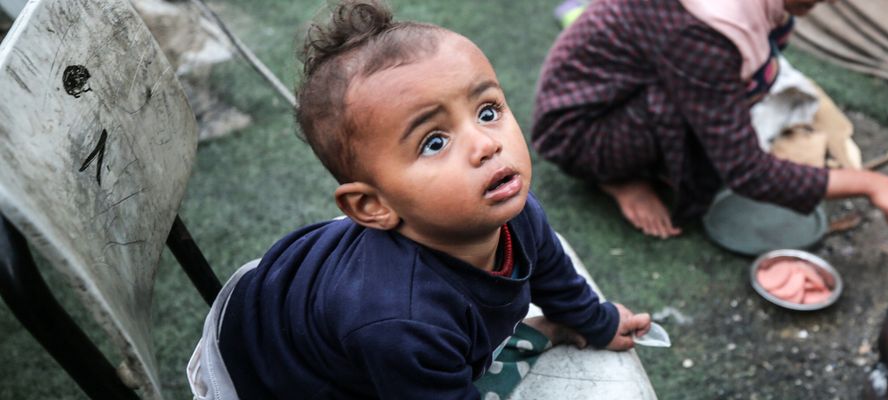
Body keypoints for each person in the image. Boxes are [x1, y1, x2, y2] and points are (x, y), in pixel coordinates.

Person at [186, 1, 651, 398]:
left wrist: (597, 322)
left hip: (313, 304)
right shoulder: (401, 322)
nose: (486, 144)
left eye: (488, 111)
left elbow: (552, 273)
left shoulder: (516, 213)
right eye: (434, 142)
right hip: (268, 372)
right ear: (373, 207)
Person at [531, 0, 888, 239]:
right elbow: (748, 172)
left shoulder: (742, 14)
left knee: (732, 87)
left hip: (629, 85)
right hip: (579, 132)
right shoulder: (703, 29)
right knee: (712, 134)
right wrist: (872, 183)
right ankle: (615, 178)